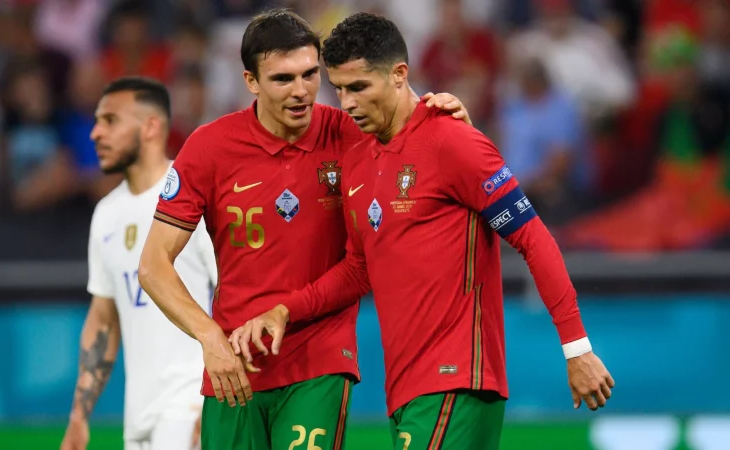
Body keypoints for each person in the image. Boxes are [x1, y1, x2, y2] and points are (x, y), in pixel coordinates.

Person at [230, 12, 615, 450]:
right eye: (338, 89)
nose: (348, 103)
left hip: (458, 379)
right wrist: (286, 311)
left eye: (359, 87)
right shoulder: (357, 160)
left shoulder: (454, 141)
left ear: (399, 75)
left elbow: (533, 238)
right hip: (406, 391)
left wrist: (576, 348)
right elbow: (359, 269)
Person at [137, 8, 470, 450]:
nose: (301, 92)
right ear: (250, 81)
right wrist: (210, 338)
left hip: (320, 358)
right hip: (234, 366)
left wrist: (454, 121)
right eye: (282, 79)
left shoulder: (353, 135)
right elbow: (153, 266)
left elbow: (427, 145)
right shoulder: (207, 148)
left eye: (310, 75)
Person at [60, 77, 217, 450]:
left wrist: (212, 396)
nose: (96, 133)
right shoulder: (107, 214)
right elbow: (103, 318)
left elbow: (234, 291)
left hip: (190, 405)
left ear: (150, 127)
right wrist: (79, 416)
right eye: (97, 121)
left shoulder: (194, 194)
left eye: (110, 121)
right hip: (140, 417)